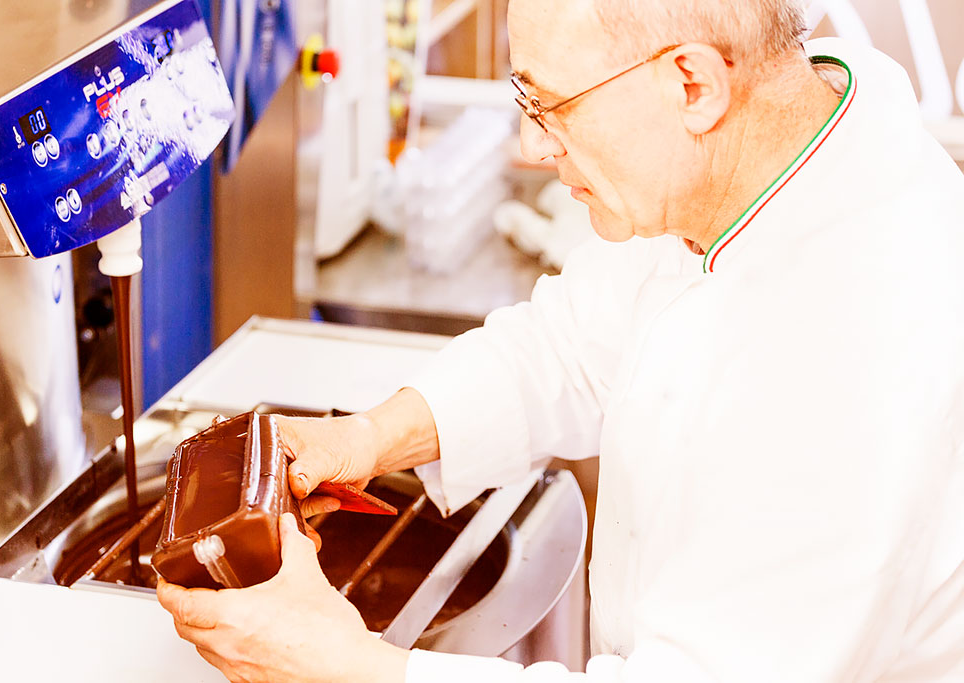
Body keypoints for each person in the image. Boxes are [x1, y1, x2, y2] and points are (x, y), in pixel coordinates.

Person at [157, 0, 964, 680]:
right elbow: (570, 345)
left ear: (692, 83)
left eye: (550, 106)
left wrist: (348, 664)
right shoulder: (762, 143)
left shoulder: (856, 358)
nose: (530, 146)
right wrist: (371, 436)